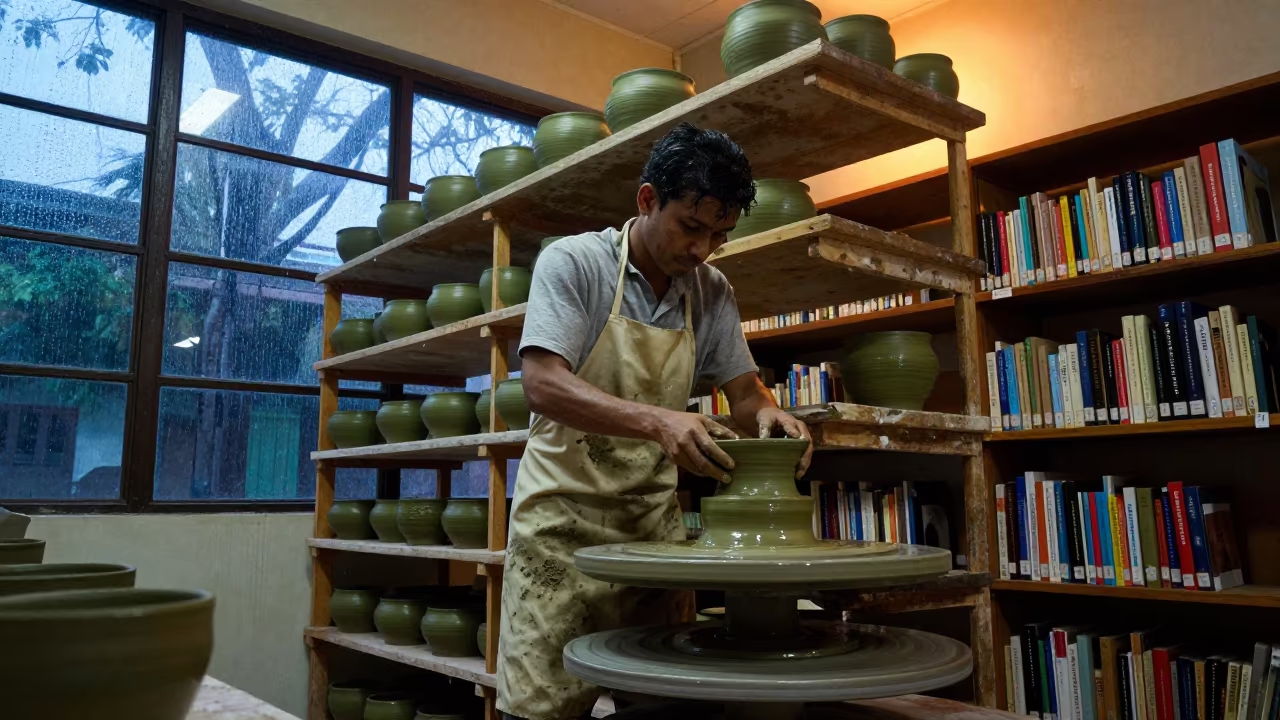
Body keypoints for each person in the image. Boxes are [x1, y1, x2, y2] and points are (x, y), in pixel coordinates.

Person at [496, 122, 814, 720]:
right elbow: (541, 384)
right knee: (544, 708)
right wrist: (658, 422)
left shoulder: (711, 290)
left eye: (718, 235)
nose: (702, 249)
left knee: (672, 705)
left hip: (652, 533)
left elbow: (743, 392)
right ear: (647, 200)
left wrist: (770, 412)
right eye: (691, 227)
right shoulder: (575, 262)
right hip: (564, 531)